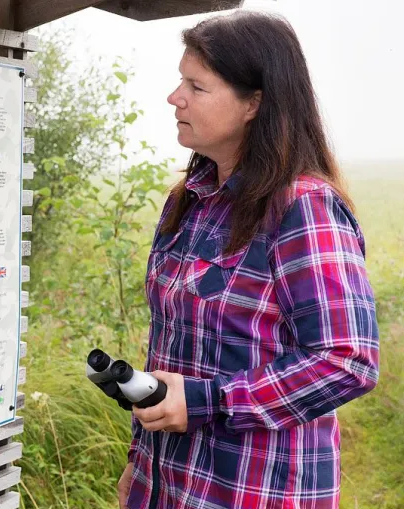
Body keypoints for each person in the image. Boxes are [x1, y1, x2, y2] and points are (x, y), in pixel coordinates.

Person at [117, 10, 380, 509]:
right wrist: (139, 456)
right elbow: (171, 348)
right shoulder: (188, 202)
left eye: (196, 86)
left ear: (253, 104)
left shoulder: (302, 207)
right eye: (179, 82)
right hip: (167, 482)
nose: (175, 98)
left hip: (252, 490)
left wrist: (209, 400)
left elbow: (348, 361)